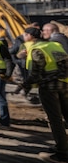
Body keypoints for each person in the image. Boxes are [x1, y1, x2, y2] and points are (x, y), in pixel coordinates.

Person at [22, 27, 68, 163]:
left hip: (49, 89)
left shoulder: (36, 50)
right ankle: (63, 146)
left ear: (30, 37)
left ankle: (62, 153)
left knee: (55, 120)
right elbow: (64, 67)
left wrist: (25, 85)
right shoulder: (55, 45)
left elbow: (35, 75)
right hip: (65, 85)